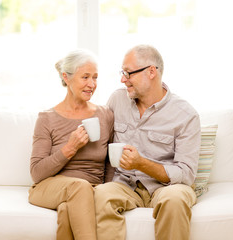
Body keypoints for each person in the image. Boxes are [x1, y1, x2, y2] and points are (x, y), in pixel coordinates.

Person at [94, 45, 201, 240]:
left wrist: (141, 163)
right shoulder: (117, 100)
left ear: (152, 71)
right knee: (99, 195)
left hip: (166, 188)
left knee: (175, 200)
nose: (122, 79)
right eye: (122, 72)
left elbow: (186, 175)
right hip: (126, 184)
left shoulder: (185, 115)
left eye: (128, 73)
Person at [28, 49, 114, 240]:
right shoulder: (47, 119)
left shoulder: (105, 114)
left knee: (68, 210)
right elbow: (36, 173)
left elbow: (110, 163)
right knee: (79, 187)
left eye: (95, 77)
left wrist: (106, 190)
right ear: (66, 78)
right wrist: (70, 148)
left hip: (88, 189)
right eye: (85, 77)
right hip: (49, 187)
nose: (92, 84)